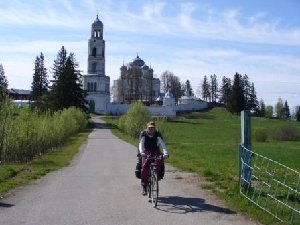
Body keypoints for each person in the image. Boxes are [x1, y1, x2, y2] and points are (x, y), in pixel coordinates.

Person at [138, 121, 169, 196]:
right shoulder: (144, 134)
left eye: (153, 128)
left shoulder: (157, 134)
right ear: (147, 128)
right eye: (150, 127)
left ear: (155, 128)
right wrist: (142, 152)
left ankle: (157, 174)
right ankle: (144, 186)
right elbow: (141, 143)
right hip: (146, 150)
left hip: (155, 150)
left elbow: (162, 144)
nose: (151, 129)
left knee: (159, 160)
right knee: (145, 165)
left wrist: (165, 152)